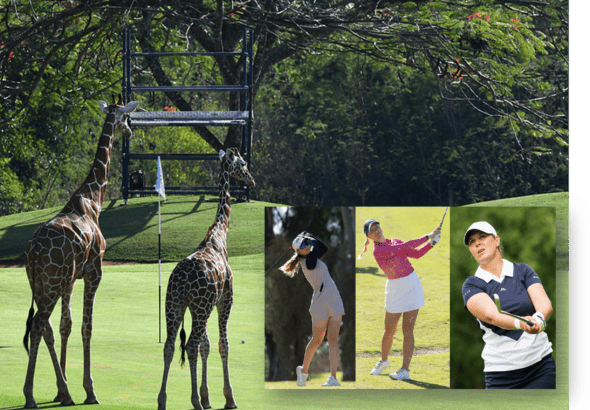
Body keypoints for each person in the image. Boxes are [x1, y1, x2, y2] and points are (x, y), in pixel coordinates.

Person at [461, 221, 555, 389]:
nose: (477, 243)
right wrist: (521, 323)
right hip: (501, 376)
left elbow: (543, 302)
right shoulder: (472, 284)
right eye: (472, 242)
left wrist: (539, 319)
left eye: (482, 237)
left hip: (541, 366)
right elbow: (492, 315)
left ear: (497, 240)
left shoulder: (522, 270)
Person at [358, 219, 441, 381]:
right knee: (389, 329)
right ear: (369, 236)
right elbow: (402, 248)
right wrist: (428, 236)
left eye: (377, 227)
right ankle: (383, 361)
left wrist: (431, 244)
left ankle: (405, 370)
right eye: (372, 230)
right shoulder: (379, 250)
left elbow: (415, 254)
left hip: (411, 285)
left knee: (407, 330)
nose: (377, 231)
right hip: (394, 289)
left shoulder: (395, 241)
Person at [279, 232, 345, 387]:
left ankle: (333, 378)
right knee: (317, 340)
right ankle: (303, 371)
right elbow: (316, 247)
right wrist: (308, 236)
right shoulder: (309, 261)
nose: (306, 245)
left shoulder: (311, 254)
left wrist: (307, 236)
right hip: (320, 302)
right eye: (302, 245)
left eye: (306, 243)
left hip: (334, 297)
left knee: (333, 339)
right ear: (299, 252)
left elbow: (324, 247)